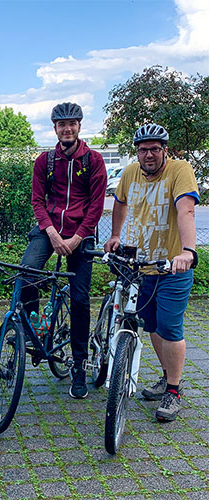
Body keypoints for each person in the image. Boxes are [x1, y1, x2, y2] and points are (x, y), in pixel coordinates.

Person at [104, 123, 198, 422]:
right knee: (153, 326)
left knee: (170, 327)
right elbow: (119, 203)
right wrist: (116, 234)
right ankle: (167, 376)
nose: (149, 155)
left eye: (155, 149)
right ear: (137, 152)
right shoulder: (130, 173)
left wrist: (187, 252)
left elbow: (186, 210)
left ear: (164, 150)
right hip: (142, 266)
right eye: (143, 150)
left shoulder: (179, 170)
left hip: (171, 266)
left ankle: (173, 391)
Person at [20, 102, 107, 399]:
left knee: (80, 298)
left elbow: (97, 205)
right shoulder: (45, 161)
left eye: (72, 123)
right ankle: (34, 327)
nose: (66, 129)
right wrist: (53, 233)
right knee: (25, 274)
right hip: (50, 230)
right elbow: (37, 201)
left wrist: (77, 237)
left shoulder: (93, 160)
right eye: (61, 124)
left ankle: (79, 364)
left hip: (81, 234)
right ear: (54, 128)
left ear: (79, 126)